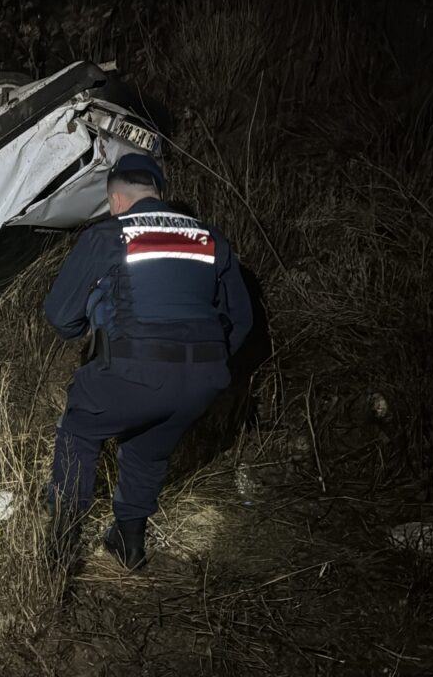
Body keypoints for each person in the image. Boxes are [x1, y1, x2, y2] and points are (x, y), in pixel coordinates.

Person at [43, 153, 253, 570]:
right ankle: (129, 541)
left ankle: (61, 547)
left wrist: (85, 331)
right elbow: (241, 320)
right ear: (159, 193)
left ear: (117, 200)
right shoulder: (212, 239)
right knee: (147, 447)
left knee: (80, 428)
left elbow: (60, 314)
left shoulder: (112, 235)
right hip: (205, 378)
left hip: (134, 368)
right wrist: (204, 366)